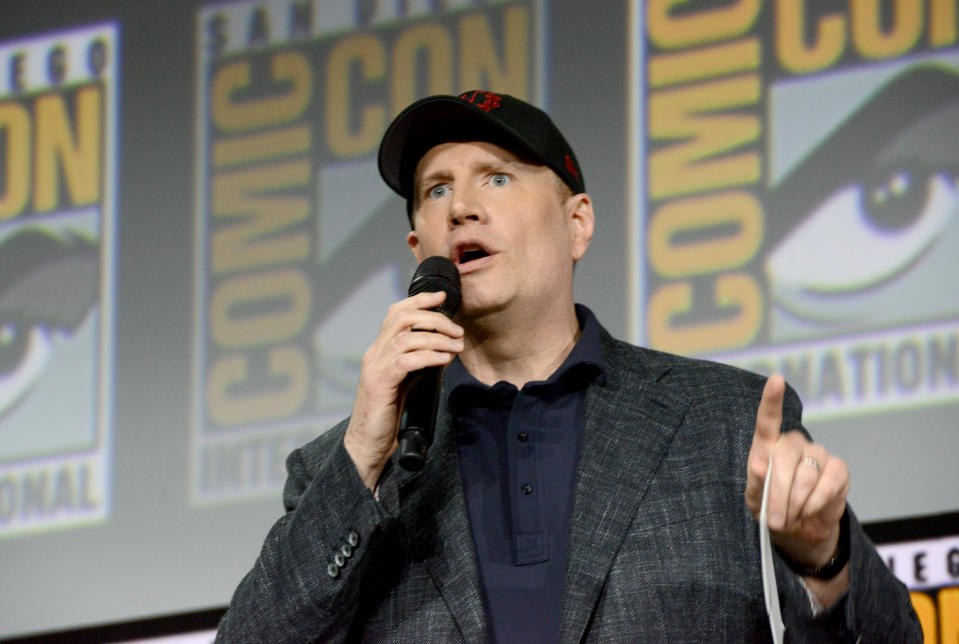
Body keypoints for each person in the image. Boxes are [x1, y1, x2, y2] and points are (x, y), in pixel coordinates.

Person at [215, 90, 920, 642]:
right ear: (416, 244)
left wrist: (821, 563)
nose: (460, 207)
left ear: (576, 223)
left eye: (495, 178)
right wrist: (367, 448)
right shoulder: (342, 474)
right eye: (435, 190)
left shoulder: (725, 422)